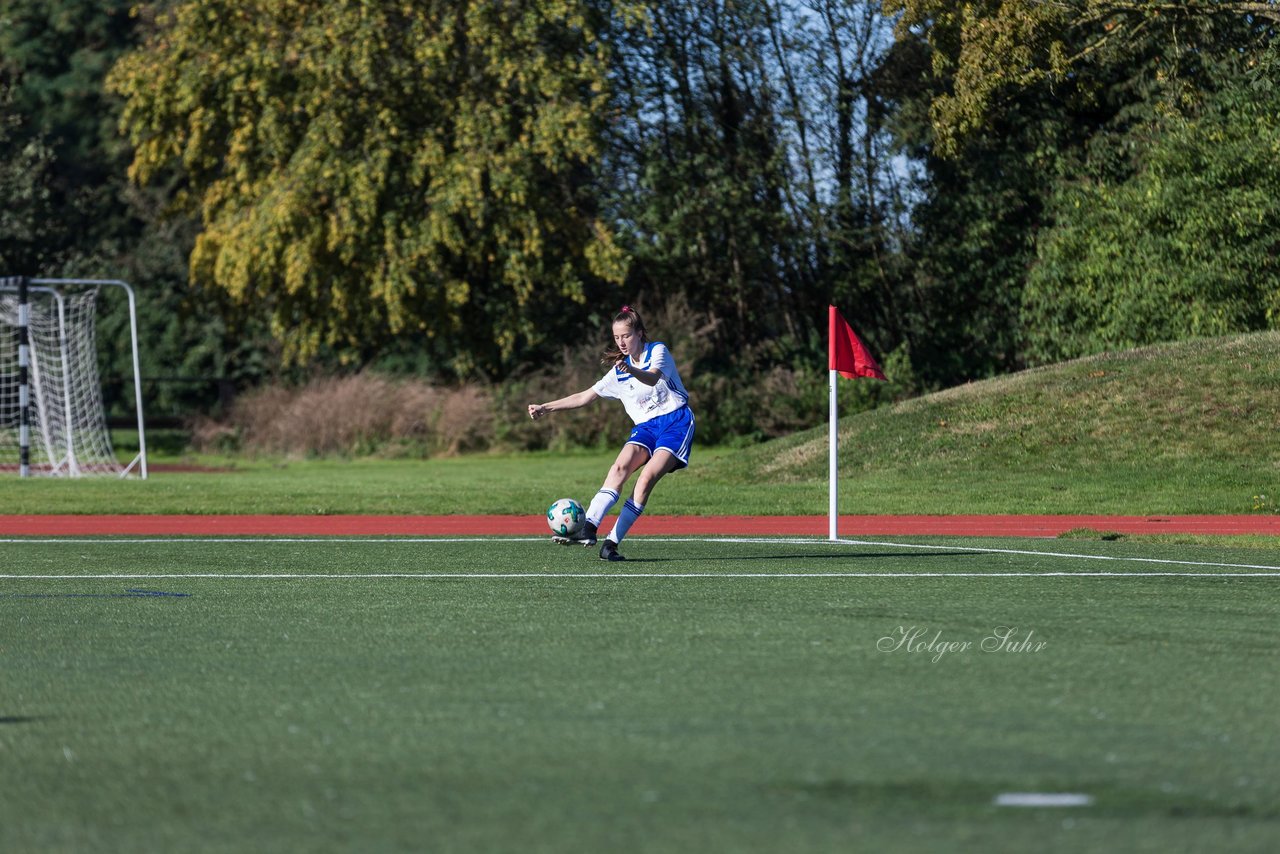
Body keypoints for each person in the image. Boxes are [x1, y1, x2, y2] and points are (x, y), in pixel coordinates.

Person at [527, 305, 695, 561]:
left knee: (646, 478)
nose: (621, 342)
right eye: (616, 337)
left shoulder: (657, 351)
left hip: (676, 423)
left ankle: (612, 543)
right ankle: (588, 528)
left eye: (626, 335)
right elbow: (585, 397)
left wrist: (631, 371)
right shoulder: (619, 371)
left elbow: (651, 378)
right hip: (646, 428)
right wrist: (545, 407)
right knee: (618, 469)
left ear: (639, 333)